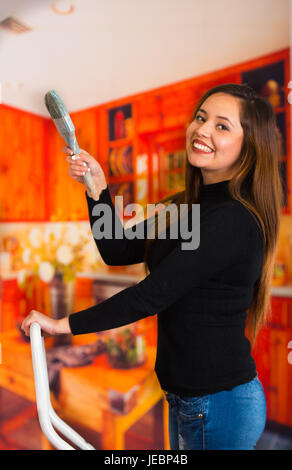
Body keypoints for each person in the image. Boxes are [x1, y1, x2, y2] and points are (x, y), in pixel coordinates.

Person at [21, 83, 283, 450]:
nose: (202, 129)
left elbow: (152, 294)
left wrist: (62, 325)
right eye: (201, 117)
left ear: (249, 147)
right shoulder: (187, 208)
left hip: (220, 404)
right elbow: (116, 248)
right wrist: (97, 190)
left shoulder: (233, 219)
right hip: (188, 399)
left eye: (222, 126)